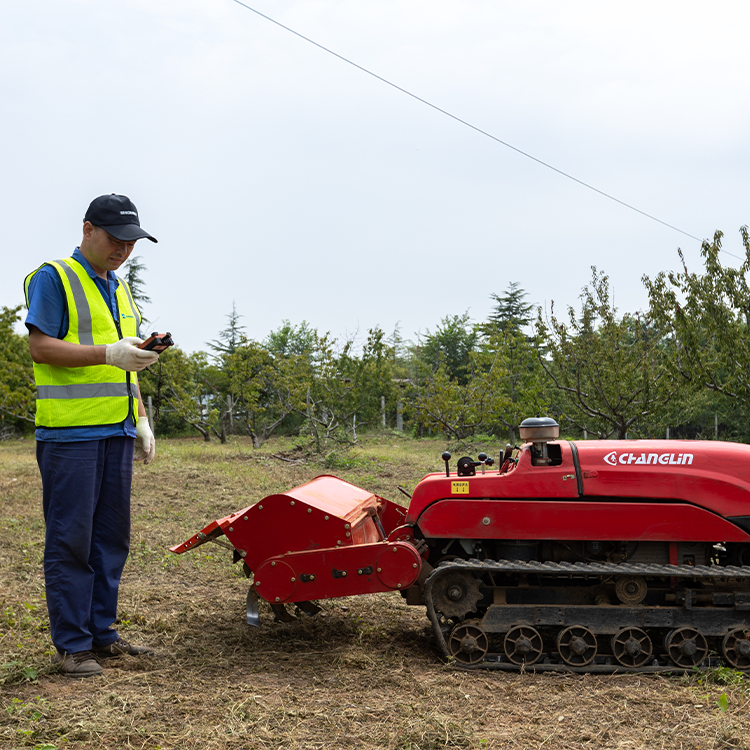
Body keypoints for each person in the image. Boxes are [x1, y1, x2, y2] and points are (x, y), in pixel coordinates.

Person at [24, 194, 161, 677]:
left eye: (131, 243)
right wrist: (107, 355)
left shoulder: (119, 289)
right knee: (71, 541)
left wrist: (140, 417)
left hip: (116, 430)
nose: (123, 249)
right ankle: (72, 646)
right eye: (115, 239)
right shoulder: (54, 277)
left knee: (110, 539)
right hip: (71, 435)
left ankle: (103, 635)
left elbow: (128, 361)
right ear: (87, 230)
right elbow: (40, 346)